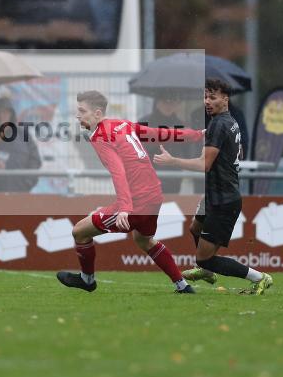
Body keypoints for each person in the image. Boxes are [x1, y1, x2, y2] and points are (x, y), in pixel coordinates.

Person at [56, 90, 204, 294]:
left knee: (79, 232)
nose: (77, 115)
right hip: (154, 195)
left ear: (98, 113)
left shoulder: (100, 136)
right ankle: (182, 285)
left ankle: (87, 280)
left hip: (137, 201)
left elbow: (119, 172)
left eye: (82, 111)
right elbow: (159, 133)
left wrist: (125, 208)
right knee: (143, 240)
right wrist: (196, 135)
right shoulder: (121, 124)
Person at [155, 78, 273, 295]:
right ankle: (204, 270)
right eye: (205, 96)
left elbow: (205, 165)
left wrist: (173, 161)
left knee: (206, 257)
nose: (207, 101)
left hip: (223, 199)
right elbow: (232, 153)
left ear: (225, 99)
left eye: (213, 97)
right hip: (212, 196)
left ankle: (259, 277)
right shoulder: (229, 121)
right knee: (195, 229)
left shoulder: (219, 124)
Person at [0, 96, 42, 193]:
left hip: (20, 192)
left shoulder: (23, 134)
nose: (1, 116)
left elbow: (35, 160)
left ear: (11, 114)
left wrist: (27, 183)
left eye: (4, 112)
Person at [139, 94, 193, 194]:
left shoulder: (180, 124)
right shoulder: (144, 122)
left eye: (174, 102)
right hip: (149, 174)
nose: (169, 105)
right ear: (157, 103)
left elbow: (187, 152)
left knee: (171, 205)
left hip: (173, 176)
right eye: (166, 101)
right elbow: (139, 148)